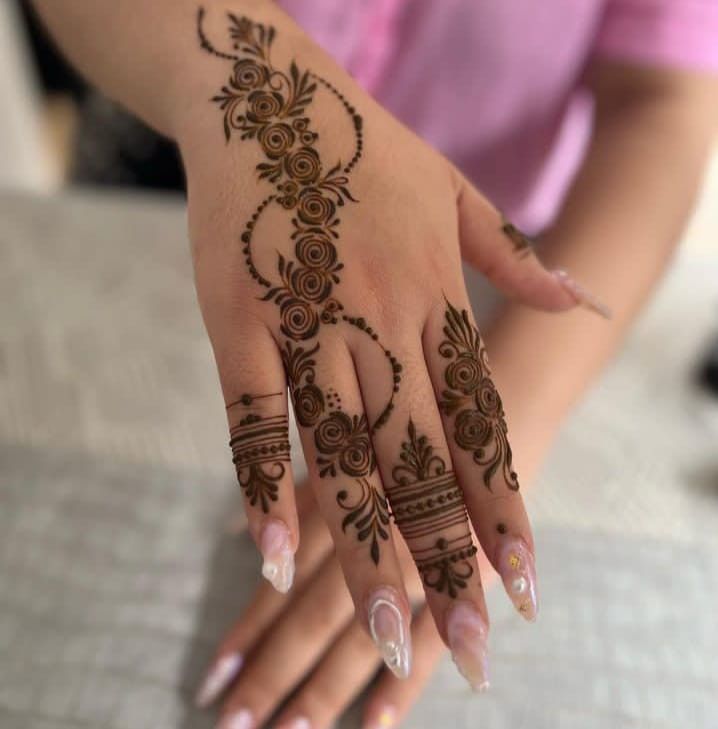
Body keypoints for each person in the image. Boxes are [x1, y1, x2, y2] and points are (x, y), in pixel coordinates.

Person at [30, 1, 718, 728]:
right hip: (166, 166)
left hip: (483, 256)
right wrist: (248, 75)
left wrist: (500, 402)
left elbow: (664, 99)